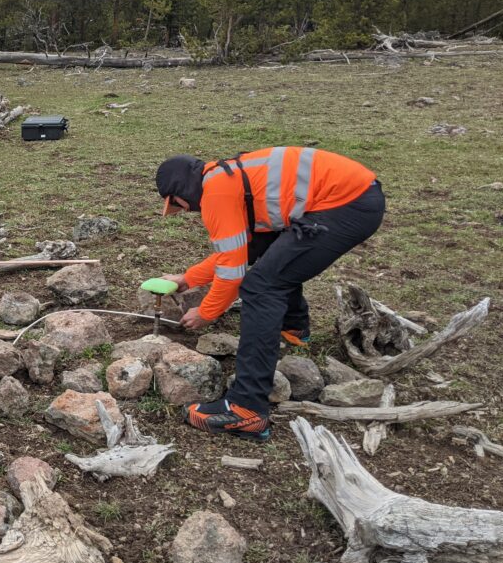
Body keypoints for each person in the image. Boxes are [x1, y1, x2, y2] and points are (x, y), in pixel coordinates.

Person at [155, 147, 384, 441]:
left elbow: (232, 271)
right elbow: (242, 249)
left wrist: (206, 312)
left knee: (261, 287)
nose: (186, 212)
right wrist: (188, 279)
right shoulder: (225, 177)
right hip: (352, 194)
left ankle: (246, 409)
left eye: (179, 207)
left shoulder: (216, 194)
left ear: (181, 195)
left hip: (346, 203)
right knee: (276, 259)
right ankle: (293, 328)